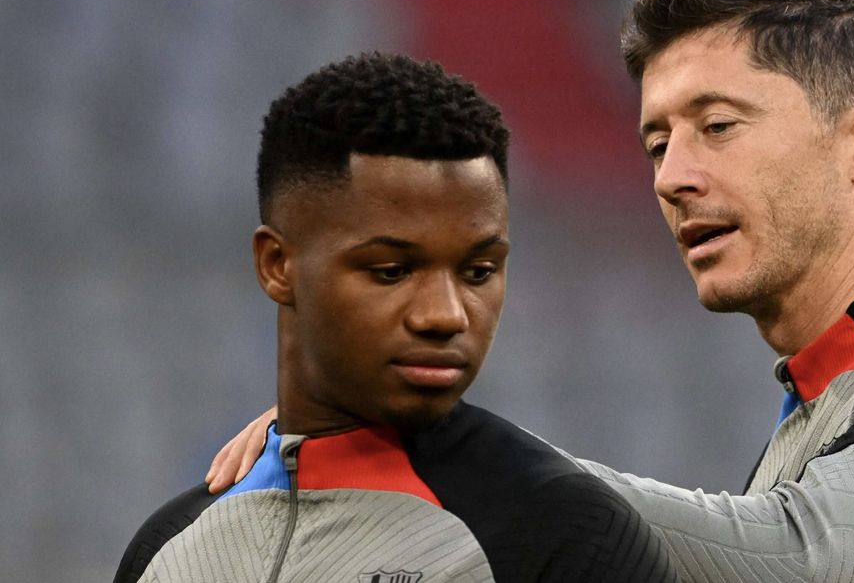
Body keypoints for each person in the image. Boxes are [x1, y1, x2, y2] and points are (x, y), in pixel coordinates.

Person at [207, 0, 854, 582]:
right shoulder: (815, 422)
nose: (671, 176)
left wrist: (443, 447)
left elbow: (812, 562)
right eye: (657, 142)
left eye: (718, 126)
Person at [115, 53, 677, 583]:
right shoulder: (170, 545)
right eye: (391, 271)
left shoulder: (564, 534)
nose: (446, 315)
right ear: (277, 265)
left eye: (478, 271)